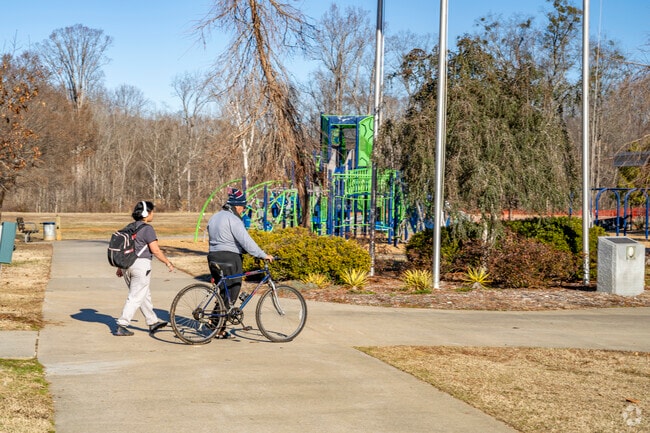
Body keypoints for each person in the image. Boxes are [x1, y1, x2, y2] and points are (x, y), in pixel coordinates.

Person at [207, 188, 273, 336]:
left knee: (223, 292)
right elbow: (246, 241)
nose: (243, 211)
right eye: (243, 207)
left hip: (213, 256)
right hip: (230, 258)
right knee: (233, 291)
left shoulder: (215, 217)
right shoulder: (234, 219)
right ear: (237, 206)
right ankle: (217, 328)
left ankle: (215, 323)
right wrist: (262, 255)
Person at [115, 201, 175, 336]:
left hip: (126, 266)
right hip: (140, 266)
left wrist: (120, 267)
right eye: (152, 211)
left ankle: (152, 321)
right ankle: (122, 324)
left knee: (144, 294)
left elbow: (123, 248)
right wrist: (167, 262)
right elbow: (155, 250)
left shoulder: (128, 227)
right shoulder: (147, 229)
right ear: (146, 213)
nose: (153, 214)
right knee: (136, 296)